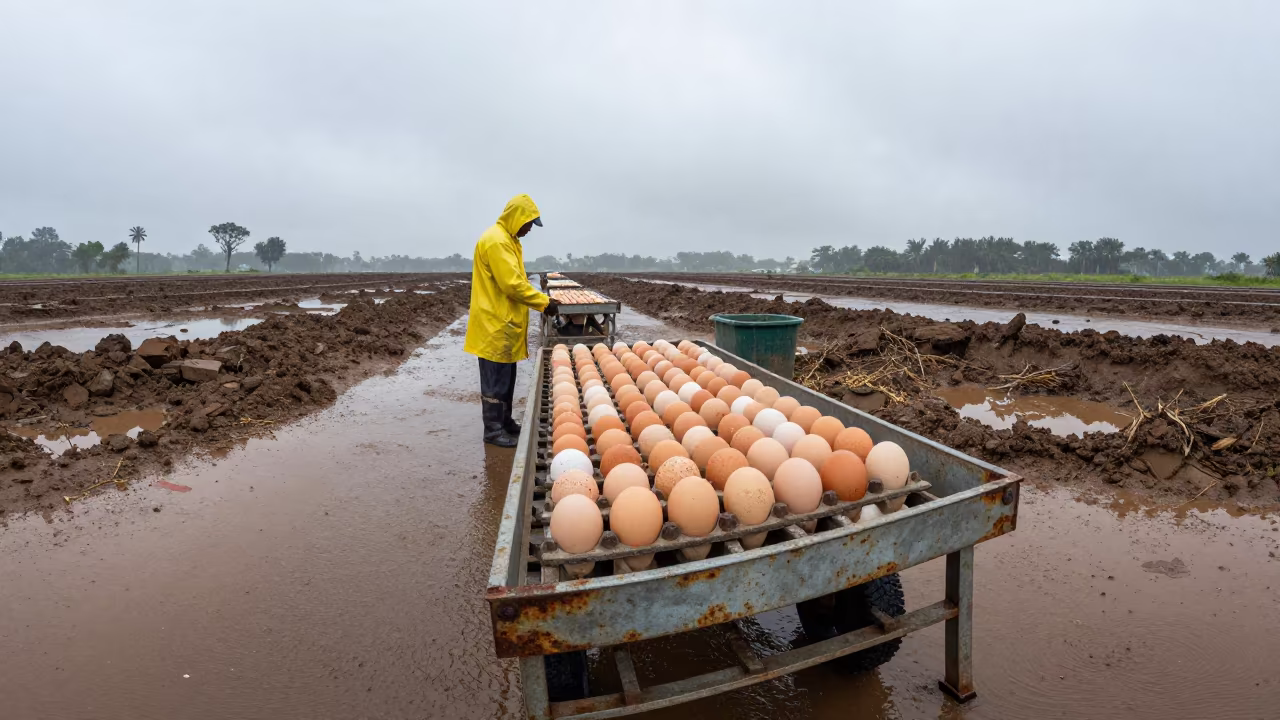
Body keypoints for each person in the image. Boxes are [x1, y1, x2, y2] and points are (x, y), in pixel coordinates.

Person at [463, 194, 560, 447]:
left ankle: (505, 422)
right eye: (528, 224)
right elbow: (512, 284)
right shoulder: (497, 241)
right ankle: (493, 431)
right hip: (494, 323)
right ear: (517, 218)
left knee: (506, 378)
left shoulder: (508, 239)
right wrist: (543, 302)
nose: (529, 230)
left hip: (503, 322)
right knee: (495, 380)